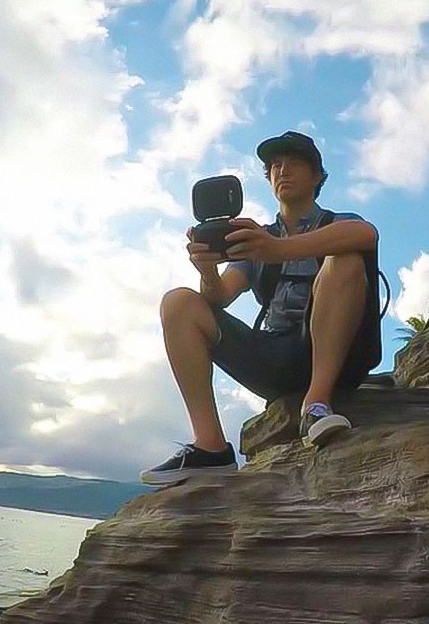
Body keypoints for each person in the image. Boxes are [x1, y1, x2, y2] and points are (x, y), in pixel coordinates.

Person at [141, 131, 381, 485]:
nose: (282, 171)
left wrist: (278, 249)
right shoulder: (255, 239)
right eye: (275, 166)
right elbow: (219, 297)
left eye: (294, 164)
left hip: (340, 355)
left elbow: (366, 235)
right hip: (275, 357)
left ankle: (316, 404)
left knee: (345, 260)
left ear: (317, 176)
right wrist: (208, 270)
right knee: (179, 302)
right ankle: (210, 448)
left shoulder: (337, 223)